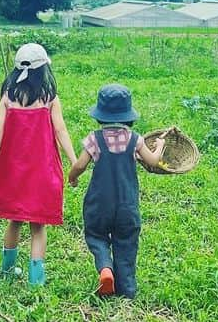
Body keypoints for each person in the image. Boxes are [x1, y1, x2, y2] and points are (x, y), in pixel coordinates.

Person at [0, 42, 78, 286]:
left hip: (12, 171)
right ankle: (36, 280)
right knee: (38, 226)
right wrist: (74, 161)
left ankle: (7, 272)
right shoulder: (49, 98)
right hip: (42, 170)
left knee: (14, 219)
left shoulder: (8, 97)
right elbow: (61, 130)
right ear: (43, 70)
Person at [67, 84, 167, 299]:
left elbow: (80, 165)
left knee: (96, 235)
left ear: (100, 116)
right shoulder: (135, 140)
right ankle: (127, 290)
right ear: (128, 116)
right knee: (127, 242)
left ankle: (105, 268)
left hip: (98, 203)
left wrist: (72, 177)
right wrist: (160, 145)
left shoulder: (94, 139)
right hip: (126, 205)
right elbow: (154, 161)